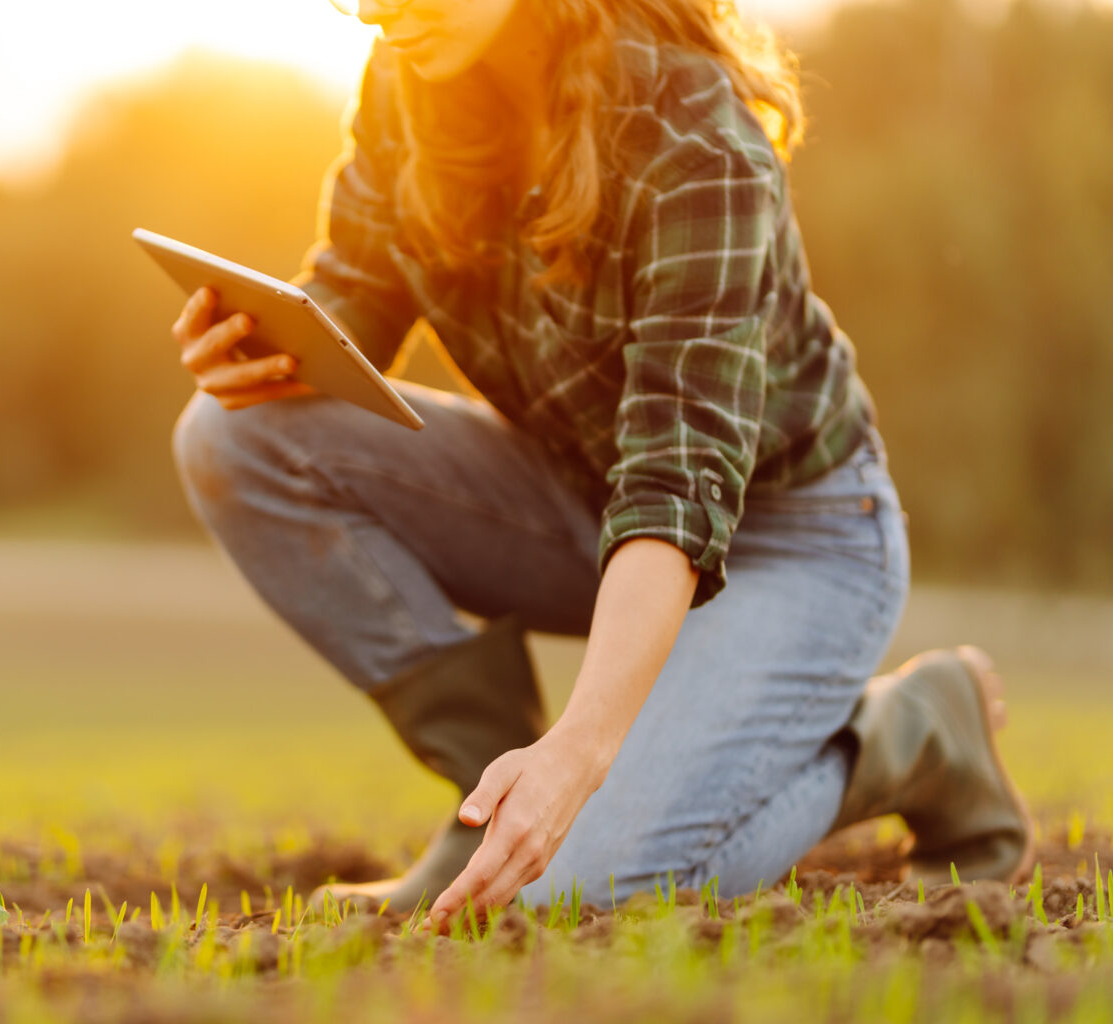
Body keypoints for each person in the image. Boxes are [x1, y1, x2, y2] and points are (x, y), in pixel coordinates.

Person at [167, 0, 1033, 931]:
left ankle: (912, 735)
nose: (378, 11)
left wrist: (583, 749)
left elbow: (677, 481)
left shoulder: (696, 138)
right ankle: (489, 807)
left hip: (790, 535)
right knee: (232, 437)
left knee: (585, 890)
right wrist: (268, 350)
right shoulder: (407, 78)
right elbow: (361, 292)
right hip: (578, 494)